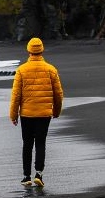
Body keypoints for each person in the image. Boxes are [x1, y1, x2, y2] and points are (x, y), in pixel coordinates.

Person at [8, 37, 64, 187]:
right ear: (41, 50)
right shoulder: (51, 69)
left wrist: (13, 115)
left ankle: (27, 177)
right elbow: (58, 94)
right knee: (40, 143)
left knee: (27, 144)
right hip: (44, 114)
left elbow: (16, 95)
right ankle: (39, 174)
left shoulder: (21, 70)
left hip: (26, 114)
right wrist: (56, 111)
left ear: (29, 51)